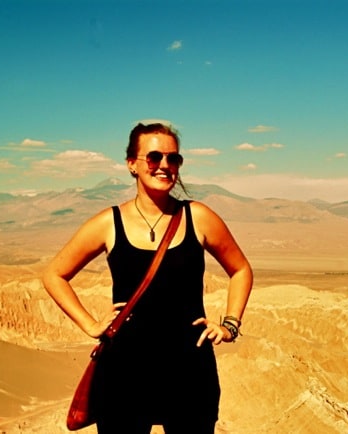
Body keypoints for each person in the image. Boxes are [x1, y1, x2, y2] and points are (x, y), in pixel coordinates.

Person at [42, 121, 253, 433]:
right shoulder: (109, 223)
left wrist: (230, 325)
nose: (165, 166)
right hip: (124, 371)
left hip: (189, 370)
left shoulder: (199, 217)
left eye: (174, 159)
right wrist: (89, 324)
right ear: (132, 165)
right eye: (154, 158)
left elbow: (241, 270)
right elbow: (54, 274)